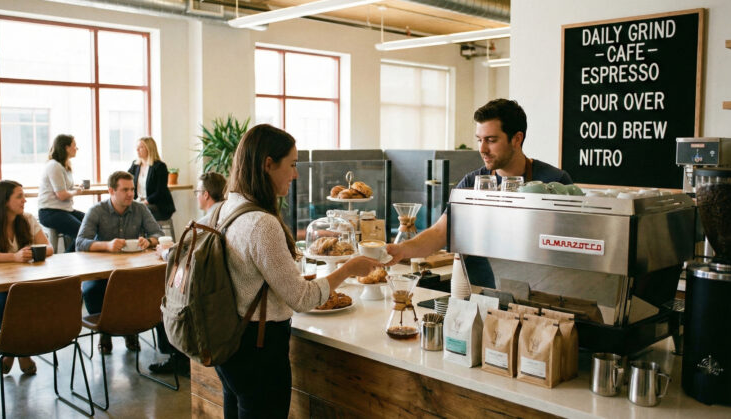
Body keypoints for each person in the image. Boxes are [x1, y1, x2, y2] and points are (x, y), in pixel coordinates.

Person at [214, 124, 381, 418]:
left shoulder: (226, 208)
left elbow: (250, 277)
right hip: (259, 350)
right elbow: (302, 300)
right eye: (291, 164)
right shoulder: (262, 224)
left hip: (228, 342)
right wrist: (348, 268)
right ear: (268, 164)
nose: (296, 174)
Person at [386, 99, 573, 288]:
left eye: (491, 140)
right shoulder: (471, 182)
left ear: (517, 139)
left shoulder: (554, 181)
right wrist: (401, 250)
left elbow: (566, 250)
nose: (482, 149)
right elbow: (439, 232)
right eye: (479, 140)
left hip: (539, 290)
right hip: (479, 293)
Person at [75, 171, 163, 354]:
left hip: (132, 271)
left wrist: (149, 241)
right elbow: (80, 242)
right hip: (102, 271)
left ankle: (130, 329)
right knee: (91, 291)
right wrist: (107, 245)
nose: (131, 194)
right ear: (111, 191)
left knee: (153, 288)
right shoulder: (97, 210)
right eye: (125, 190)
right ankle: (104, 332)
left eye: (132, 189)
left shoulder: (140, 209)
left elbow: (158, 234)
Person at [0, 180, 55, 376]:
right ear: (4, 201)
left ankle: (10, 352)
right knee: (10, 301)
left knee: (21, 297)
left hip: (18, 286)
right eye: (19, 196)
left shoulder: (27, 219)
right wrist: (14, 257)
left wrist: (34, 253)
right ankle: (22, 354)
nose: (25, 200)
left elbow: (49, 248)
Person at [149, 171, 227, 376]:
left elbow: (184, 251)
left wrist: (164, 252)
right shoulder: (228, 211)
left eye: (197, 192)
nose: (197, 196)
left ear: (206, 194)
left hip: (209, 284)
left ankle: (178, 356)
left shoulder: (208, 220)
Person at [37, 134, 86, 252]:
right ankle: (67, 256)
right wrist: (76, 192)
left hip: (64, 210)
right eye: (74, 146)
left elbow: (63, 188)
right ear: (66, 147)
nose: (77, 148)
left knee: (91, 222)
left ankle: (72, 255)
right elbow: (61, 195)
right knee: (82, 232)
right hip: (50, 212)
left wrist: (75, 188)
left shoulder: (64, 166)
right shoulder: (54, 166)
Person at [128, 136, 176, 222]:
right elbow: (126, 179)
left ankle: (143, 235)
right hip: (140, 203)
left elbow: (160, 191)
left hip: (158, 206)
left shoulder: (159, 166)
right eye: (137, 147)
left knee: (136, 211)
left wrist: (145, 202)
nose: (137, 150)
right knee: (124, 209)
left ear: (149, 149)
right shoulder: (135, 165)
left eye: (141, 147)